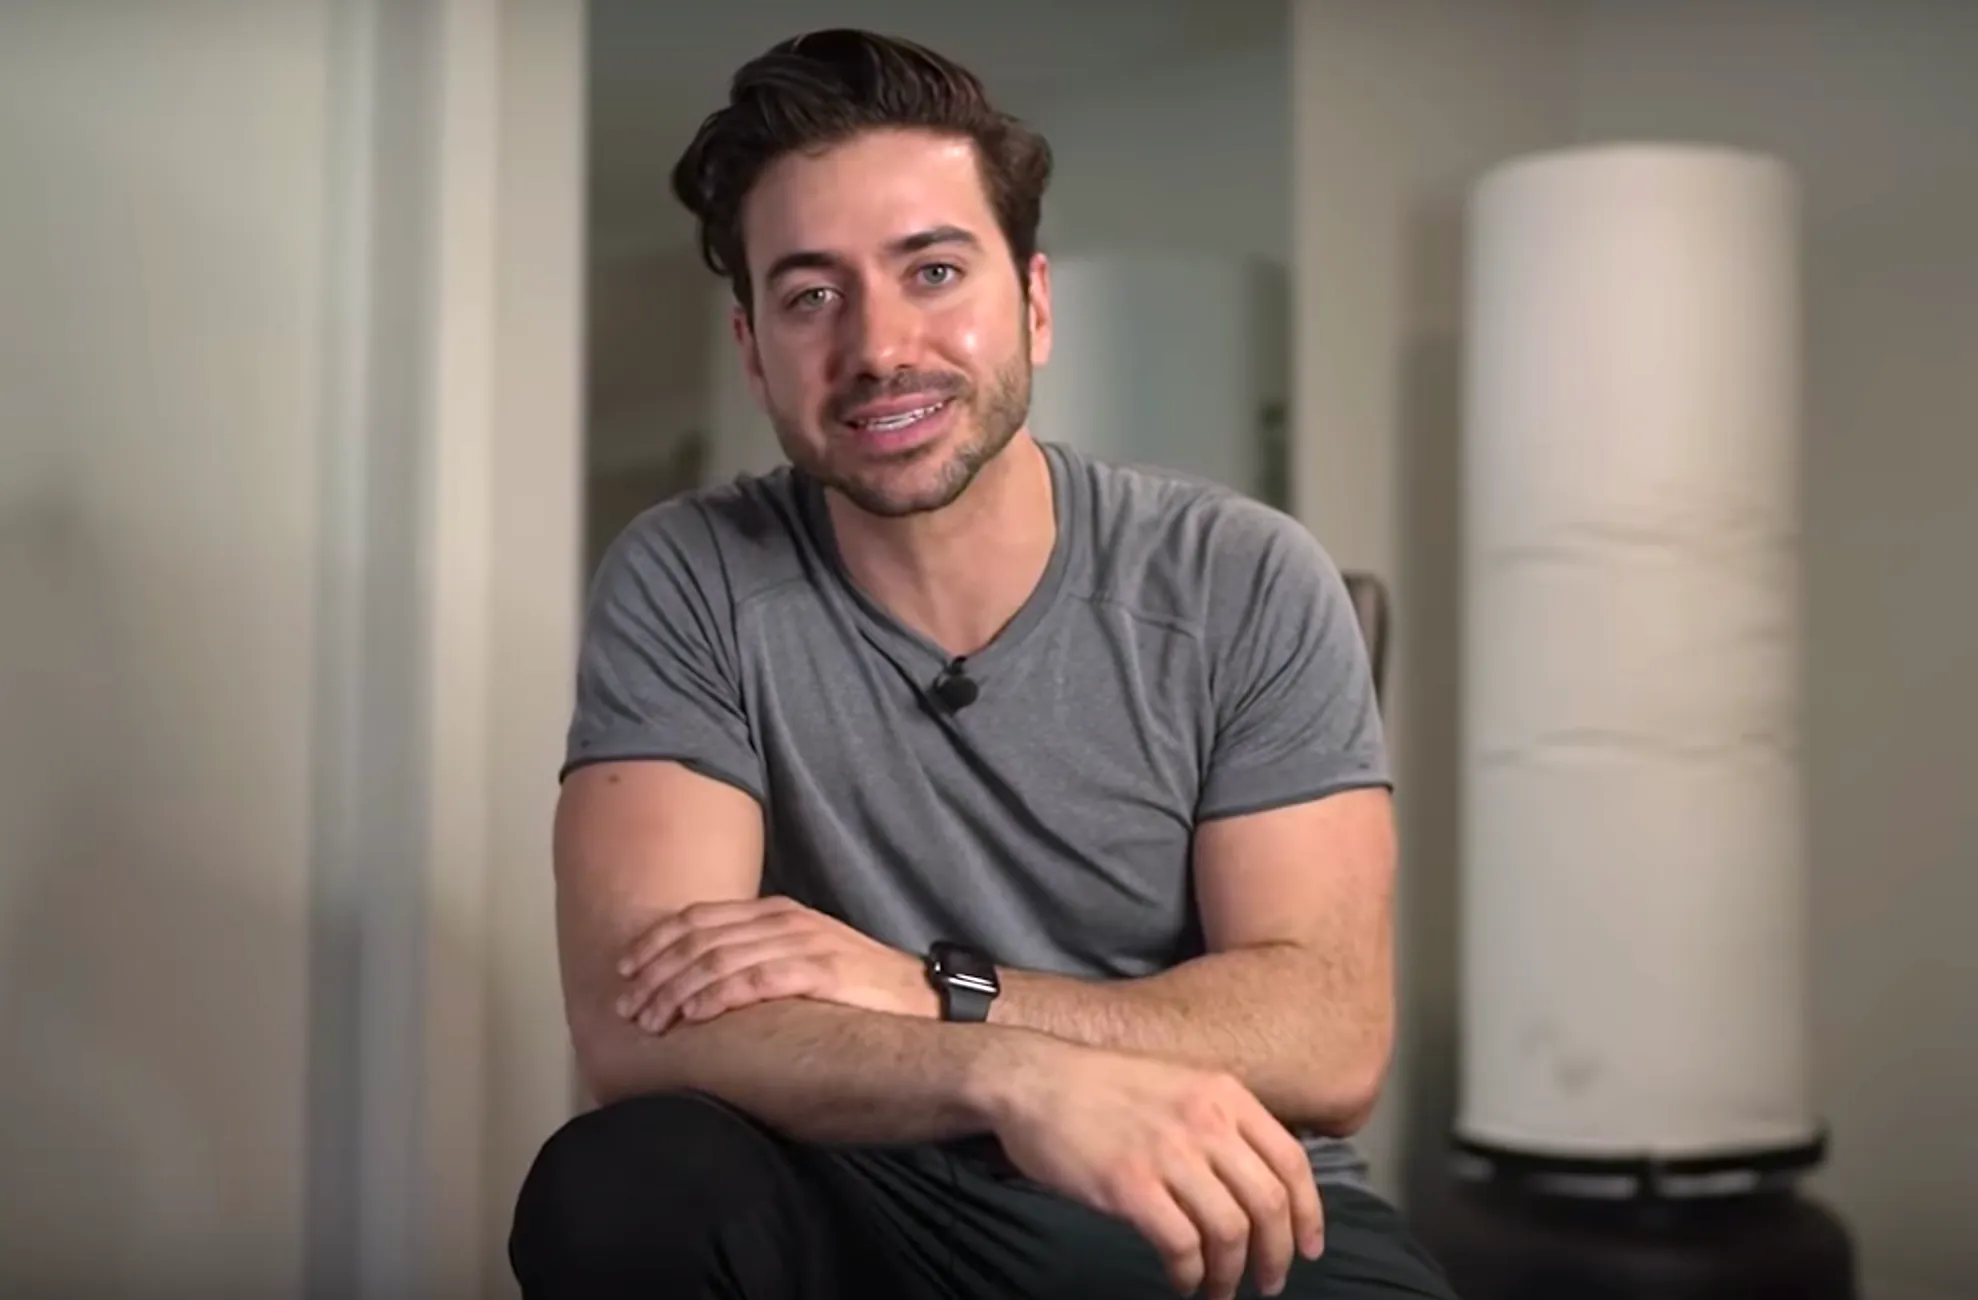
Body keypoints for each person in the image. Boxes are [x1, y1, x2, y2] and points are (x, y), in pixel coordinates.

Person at [509, 26, 1457, 1300]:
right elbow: (638, 1028)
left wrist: (935, 988)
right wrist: (1009, 1072)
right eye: (811, 295)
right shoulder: (690, 576)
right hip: (852, 1189)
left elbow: (1327, 1034)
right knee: (624, 1184)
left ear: (1035, 303)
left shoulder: (1241, 576)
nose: (878, 347)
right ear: (752, 349)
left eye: (935, 270)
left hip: (1195, 1193)